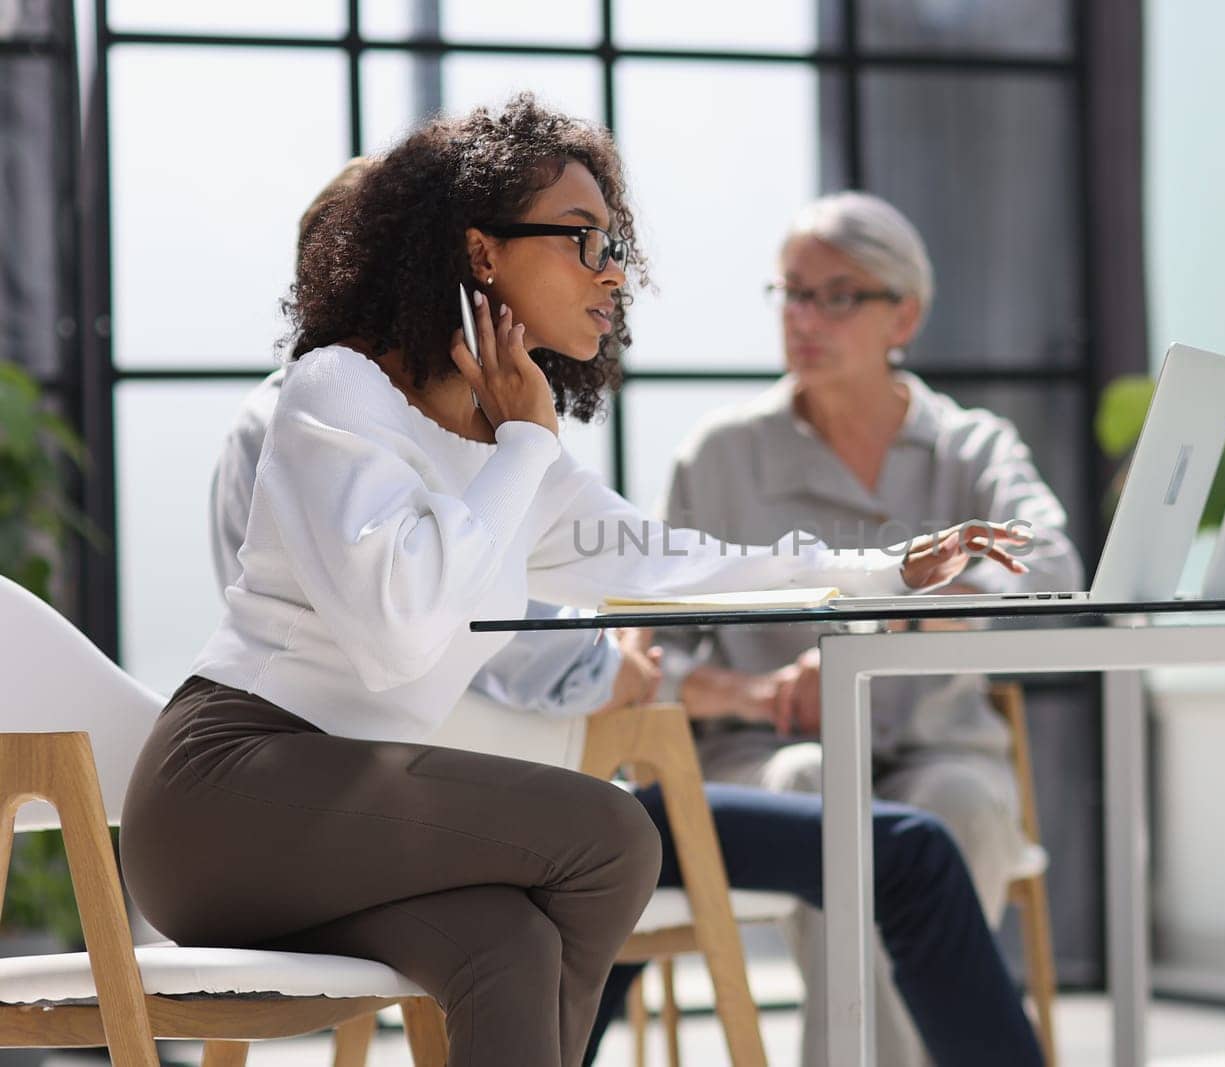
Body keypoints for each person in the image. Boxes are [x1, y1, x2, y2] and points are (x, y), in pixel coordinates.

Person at [119, 95, 1030, 1067]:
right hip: (226, 796)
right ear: (480, 253)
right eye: (581, 239)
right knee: (608, 829)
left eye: (617, 243)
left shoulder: (504, 450)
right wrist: (523, 441)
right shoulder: (337, 392)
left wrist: (881, 567)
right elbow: (401, 636)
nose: (613, 272)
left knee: (507, 945)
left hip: (344, 814)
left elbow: (672, 555)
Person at [658, 191, 1084, 1066]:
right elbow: (653, 650)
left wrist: (892, 615)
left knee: (953, 809)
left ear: (907, 315)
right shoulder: (719, 455)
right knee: (822, 787)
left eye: (837, 295)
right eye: (791, 293)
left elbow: (1050, 567)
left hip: (943, 750)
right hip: (767, 756)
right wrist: (757, 690)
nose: (804, 318)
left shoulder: (972, 448)